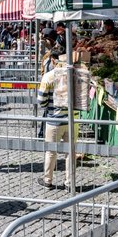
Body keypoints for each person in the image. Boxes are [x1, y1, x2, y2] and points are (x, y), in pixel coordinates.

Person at [36, 54, 89, 189]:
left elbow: (41, 100)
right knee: (70, 152)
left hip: (54, 119)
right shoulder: (78, 76)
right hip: (73, 120)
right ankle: (69, 183)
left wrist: (49, 108)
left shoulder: (49, 76)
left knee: (51, 151)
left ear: (56, 61)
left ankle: (48, 180)